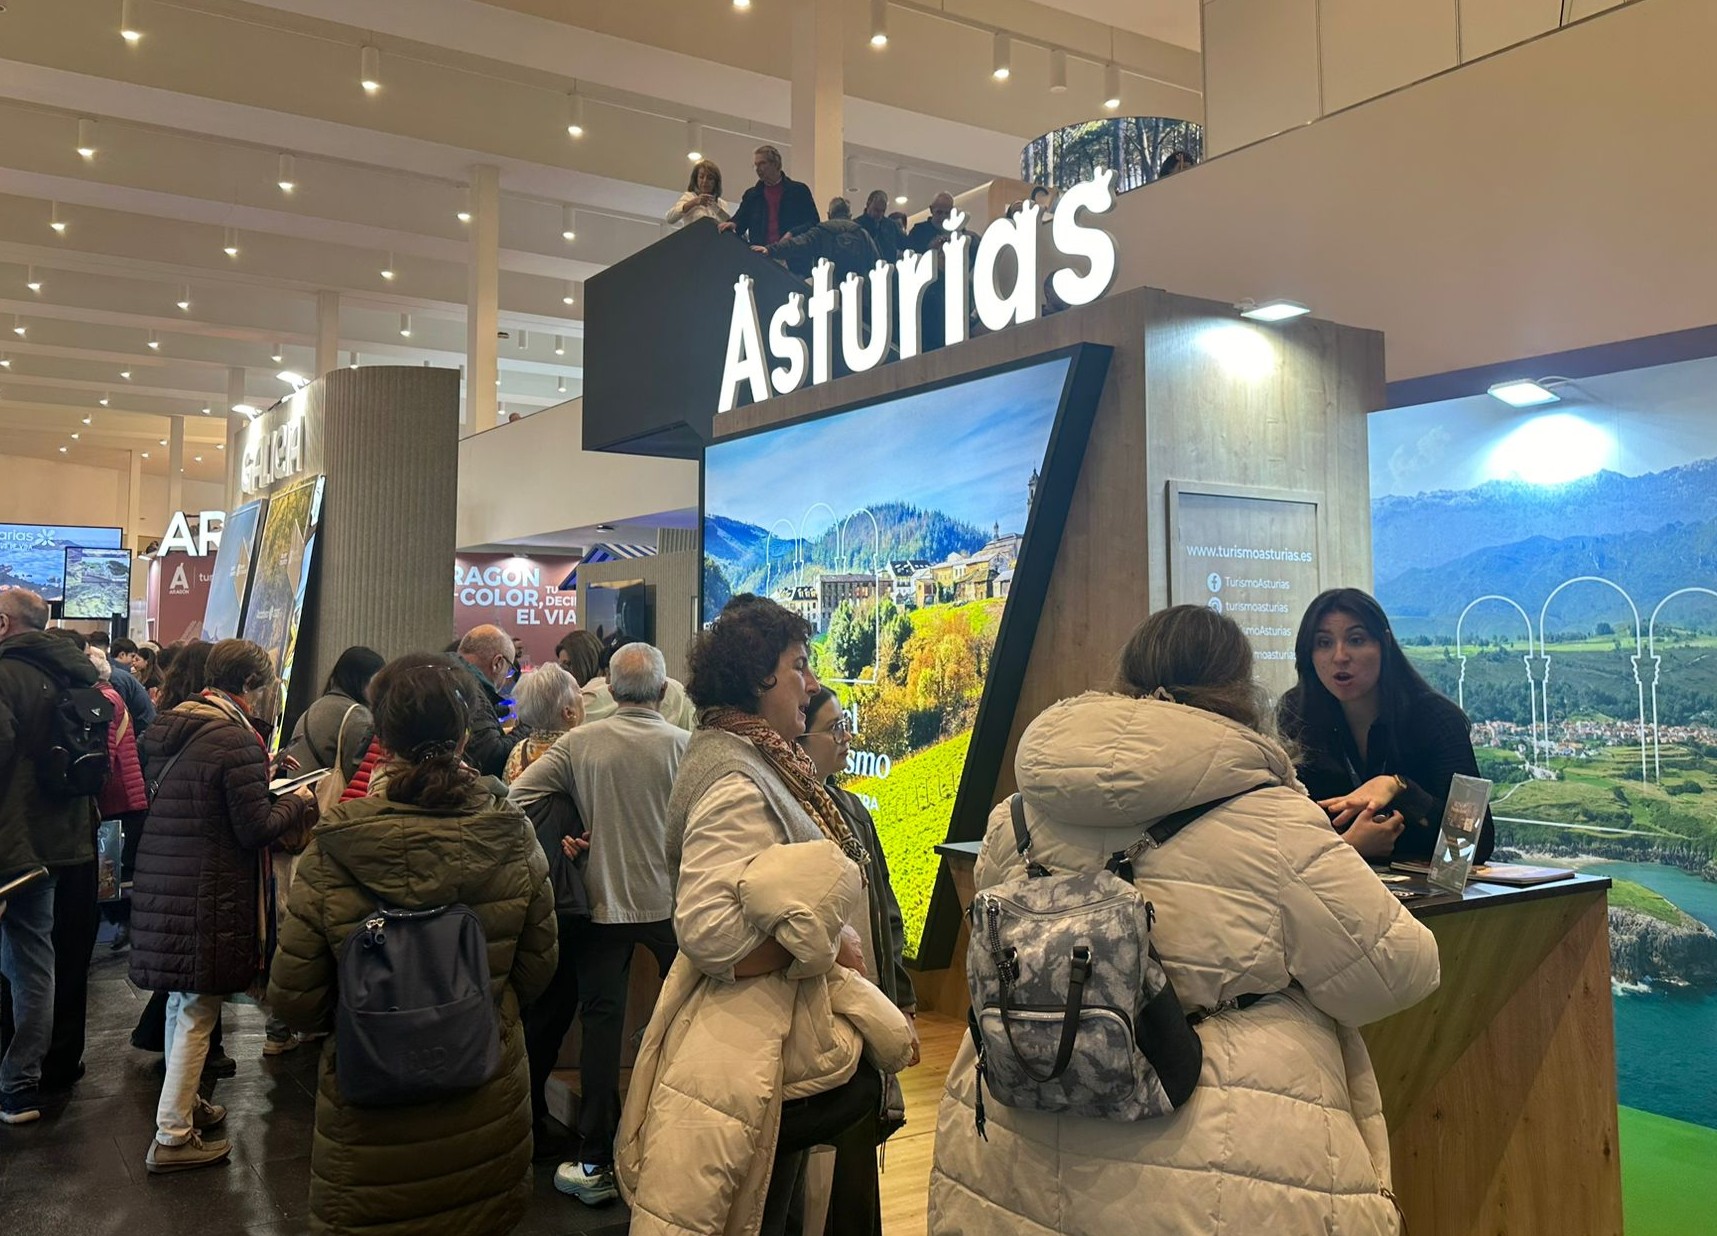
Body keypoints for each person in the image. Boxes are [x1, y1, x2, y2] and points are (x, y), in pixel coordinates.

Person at [928, 605, 1442, 1235]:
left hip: (1015, 1135)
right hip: (1215, 1151)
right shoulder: (1272, 817)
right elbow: (1397, 972)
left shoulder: (1017, 816)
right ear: (1239, 689)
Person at [614, 596, 911, 1236]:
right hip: (755, 1044)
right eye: (798, 665)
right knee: (758, 1212)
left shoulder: (758, 758)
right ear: (759, 677)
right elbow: (709, 930)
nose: (810, 682)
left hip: (769, 1040)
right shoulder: (736, 777)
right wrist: (822, 948)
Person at [268, 657, 558, 1235]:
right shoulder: (510, 832)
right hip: (485, 1099)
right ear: (462, 737)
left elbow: (295, 998)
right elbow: (538, 964)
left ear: (383, 738)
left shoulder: (336, 845)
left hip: (370, 1120)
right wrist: (479, 1003)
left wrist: (369, 1017)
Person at [129, 639, 317, 1173]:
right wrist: (297, 800)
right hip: (209, 887)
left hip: (170, 878)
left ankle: (184, 1102)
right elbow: (254, 827)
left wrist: (264, 772)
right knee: (197, 1008)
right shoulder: (234, 735)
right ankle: (173, 1135)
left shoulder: (180, 722)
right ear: (251, 684)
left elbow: (205, 792)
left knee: (182, 1002)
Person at [511, 643, 690, 1203]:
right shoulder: (685, 745)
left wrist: (568, 826)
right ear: (664, 691)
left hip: (602, 905)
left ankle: (594, 1160)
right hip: (673, 906)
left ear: (609, 691)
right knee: (690, 1018)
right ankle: (680, 1144)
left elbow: (515, 799)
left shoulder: (579, 744)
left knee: (601, 1030)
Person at [796, 686, 919, 1230]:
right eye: (834, 729)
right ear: (799, 740)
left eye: (846, 726)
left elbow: (885, 907)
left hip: (869, 1001)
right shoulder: (789, 811)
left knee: (858, 1166)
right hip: (820, 1014)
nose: (846, 739)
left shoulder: (851, 810)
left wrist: (903, 1001)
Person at [1278, 588, 1497, 865]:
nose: (1340, 656)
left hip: (1423, 890)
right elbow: (1281, 834)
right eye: (1323, 643)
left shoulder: (1437, 718)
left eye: (1356, 640)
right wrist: (1351, 846)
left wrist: (1401, 788)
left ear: (1384, 644)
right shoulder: (1295, 715)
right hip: (1328, 884)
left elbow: (1477, 842)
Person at [0, 590, 102, 1125]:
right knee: (45, 958)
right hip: (69, 836)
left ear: (3, 623)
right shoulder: (79, 676)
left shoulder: (5, 675)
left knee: (27, 961)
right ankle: (41, 1073)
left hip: (14, 843)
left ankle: (18, 1083)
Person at [281, 645, 385, 783]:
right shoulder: (357, 716)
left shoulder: (315, 707)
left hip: (297, 793)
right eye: (377, 681)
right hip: (324, 796)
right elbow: (360, 778)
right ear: (360, 681)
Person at [449, 624, 523, 778]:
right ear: (497, 663)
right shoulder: (470, 691)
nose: (506, 678)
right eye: (509, 671)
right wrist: (528, 727)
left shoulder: (445, 675)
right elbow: (490, 757)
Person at [755, 196, 882, 283]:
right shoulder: (862, 233)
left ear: (829, 215)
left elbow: (796, 244)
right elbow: (878, 264)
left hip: (827, 290)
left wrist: (770, 249)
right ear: (849, 215)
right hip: (858, 293)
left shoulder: (821, 232)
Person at [724, 144, 819, 247]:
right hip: (760, 253)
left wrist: (792, 233)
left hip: (792, 252)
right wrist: (733, 224)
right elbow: (740, 221)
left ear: (775, 164)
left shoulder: (799, 191)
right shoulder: (752, 196)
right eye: (756, 165)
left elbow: (813, 223)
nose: (758, 169)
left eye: (762, 163)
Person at [504, 662, 584, 783]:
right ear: (568, 713)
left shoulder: (518, 751)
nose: (582, 692)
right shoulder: (579, 752)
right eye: (578, 691)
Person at [106, 636, 158, 732]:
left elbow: (119, 712)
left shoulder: (117, 677)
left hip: (139, 728)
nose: (133, 661)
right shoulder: (123, 675)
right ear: (122, 655)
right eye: (132, 656)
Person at [666, 158, 731, 228]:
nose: (705, 181)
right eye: (701, 177)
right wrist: (694, 202)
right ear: (696, 179)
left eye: (710, 178)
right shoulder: (689, 197)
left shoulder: (723, 204)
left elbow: (729, 225)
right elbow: (670, 218)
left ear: (715, 182)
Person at [855, 189, 906, 262]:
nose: (880, 214)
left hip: (889, 266)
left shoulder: (892, 225)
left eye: (883, 211)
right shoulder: (856, 226)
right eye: (876, 210)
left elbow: (905, 244)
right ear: (868, 204)